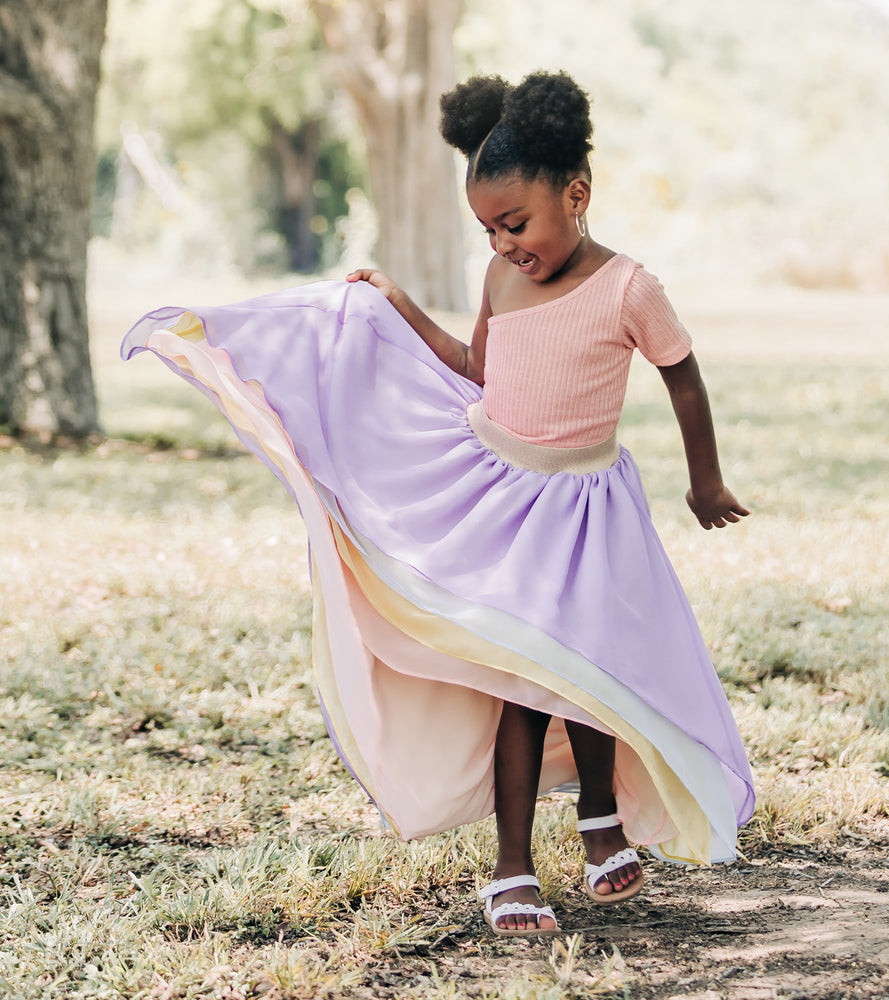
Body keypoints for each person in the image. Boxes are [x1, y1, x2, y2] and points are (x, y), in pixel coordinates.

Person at [121, 70, 754, 939]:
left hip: (590, 510)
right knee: (531, 683)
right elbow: (477, 369)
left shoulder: (628, 288)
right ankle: (513, 862)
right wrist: (397, 306)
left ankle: (602, 818)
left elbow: (683, 376)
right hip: (506, 500)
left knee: (597, 669)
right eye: (489, 230)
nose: (502, 245)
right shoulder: (504, 283)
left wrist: (705, 480)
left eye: (516, 224)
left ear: (578, 194)